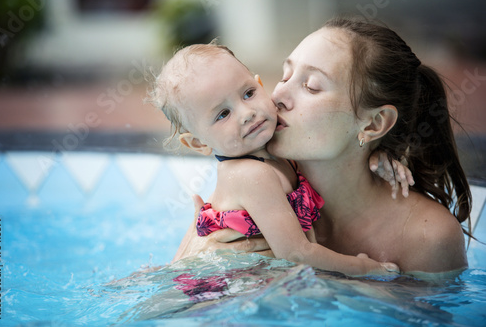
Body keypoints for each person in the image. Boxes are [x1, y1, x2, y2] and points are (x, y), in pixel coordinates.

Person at [173, 17, 472, 276]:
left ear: (373, 125)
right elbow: (171, 290)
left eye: (311, 86)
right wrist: (203, 255)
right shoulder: (255, 179)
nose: (277, 96)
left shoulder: (427, 238)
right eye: (285, 75)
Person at [148, 42, 410, 276]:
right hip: (215, 292)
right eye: (223, 114)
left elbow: (336, 158)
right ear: (198, 143)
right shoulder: (251, 175)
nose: (247, 113)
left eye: (248, 93)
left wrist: (377, 156)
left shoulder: (275, 150)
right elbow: (296, 254)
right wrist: (363, 268)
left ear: (261, 85)